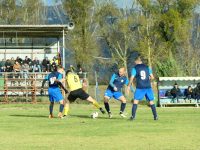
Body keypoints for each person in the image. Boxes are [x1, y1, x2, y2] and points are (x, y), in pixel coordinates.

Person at [127, 56, 158, 121]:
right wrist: (150, 81)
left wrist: (129, 86)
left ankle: (133, 117)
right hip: (148, 87)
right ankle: (155, 116)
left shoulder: (135, 68)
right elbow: (152, 77)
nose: (134, 63)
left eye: (135, 61)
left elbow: (132, 78)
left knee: (135, 101)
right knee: (151, 101)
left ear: (137, 61)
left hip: (140, 87)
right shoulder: (147, 67)